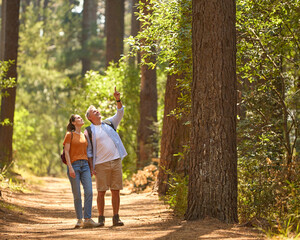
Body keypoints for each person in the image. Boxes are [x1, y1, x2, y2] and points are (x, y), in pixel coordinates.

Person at [84, 87, 127, 227]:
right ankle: (101, 218)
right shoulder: (89, 131)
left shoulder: (109, 123)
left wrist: (118, 99)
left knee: (116, 190)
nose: (97, 111)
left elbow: (120, 112)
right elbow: (89, 151)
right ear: (90, 117)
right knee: (101, 192)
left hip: (115, 161)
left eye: (97, 110)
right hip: (100, 164)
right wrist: (91, 167)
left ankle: (116, 217)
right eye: (94, 111)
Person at [63, 114, 101, 228]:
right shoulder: (69, 135)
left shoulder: (84, 135)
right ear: (74, 122)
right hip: (74, 165)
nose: (81, 119)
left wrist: (91, 167)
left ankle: (88, 219)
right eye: (78, 118)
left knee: (89, 191)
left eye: (81, 117)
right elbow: (66, 152)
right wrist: (70, 167)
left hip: (85, 165)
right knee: (77, 194)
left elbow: (88, 152)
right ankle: (79, 220)